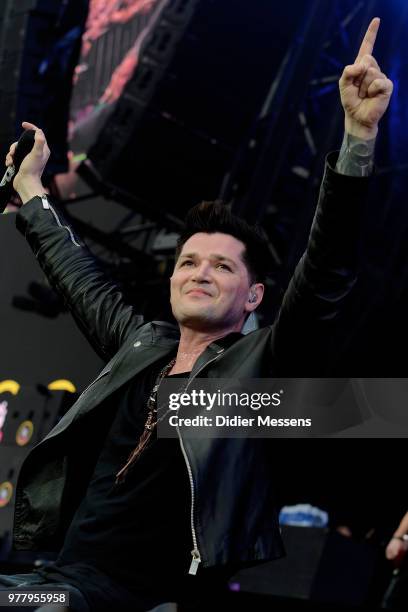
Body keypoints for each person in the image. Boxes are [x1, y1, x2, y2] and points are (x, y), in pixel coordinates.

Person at [0, 17, 393, 612]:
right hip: (61, 575)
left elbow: (326, 271)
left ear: (254, 297)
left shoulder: (256, 369)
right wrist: (31, 192)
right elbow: (77, 275)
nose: (198, 272)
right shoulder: (142, 346)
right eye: (187, 263)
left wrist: (357, 139)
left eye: (221, 266)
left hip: (141, 597)